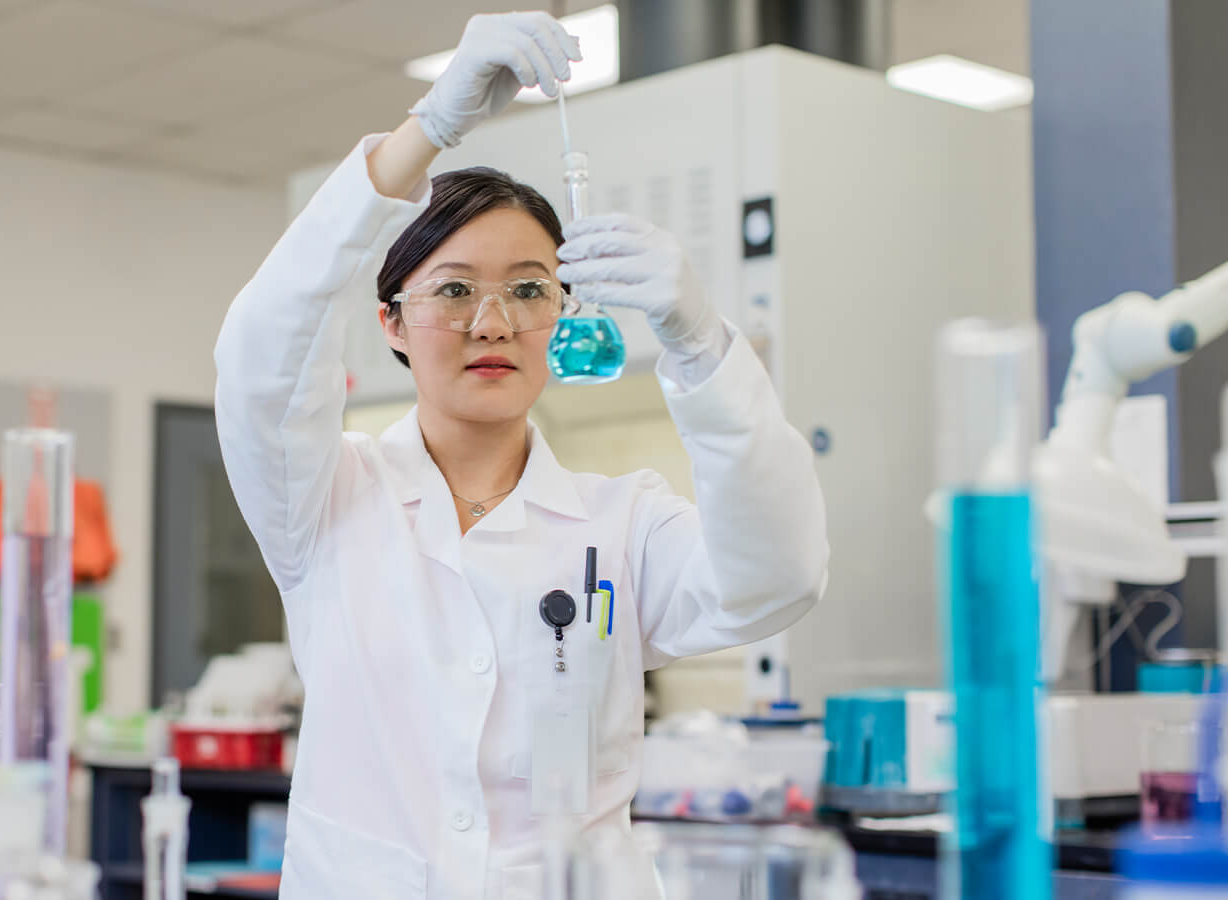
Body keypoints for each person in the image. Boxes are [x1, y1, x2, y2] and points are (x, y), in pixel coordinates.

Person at [214, 11, 829, 899]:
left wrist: (699, 342)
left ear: (565, 312)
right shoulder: (322, 497)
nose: (493, 322)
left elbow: (778, 577)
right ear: (389, 323)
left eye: (530, 290)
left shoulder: (624, 521)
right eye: (454, 290)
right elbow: (261, 352)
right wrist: (428, 126)